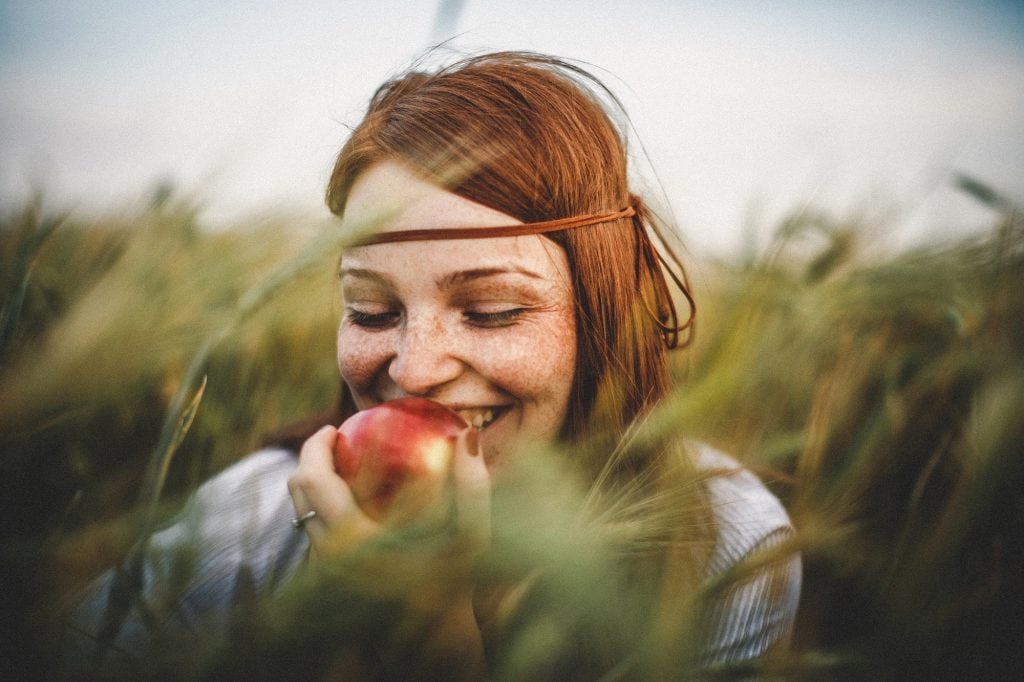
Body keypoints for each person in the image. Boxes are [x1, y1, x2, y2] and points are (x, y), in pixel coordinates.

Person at [62, 51, 800, 677]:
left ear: (603, 314)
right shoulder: (245, 532)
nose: (414, 372)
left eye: (493, 311)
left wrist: (433, 648)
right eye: (372, 310)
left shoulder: (719, 548)